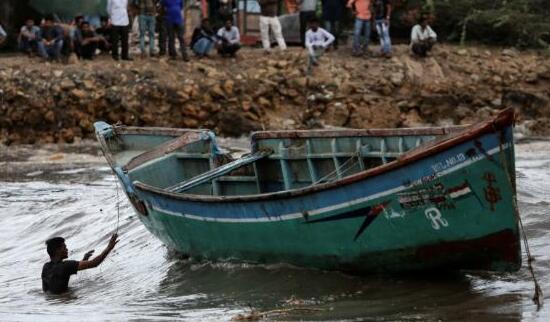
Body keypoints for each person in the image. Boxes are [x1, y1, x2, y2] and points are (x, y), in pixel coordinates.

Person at [41, 234, 119, 294]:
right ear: (57, 250)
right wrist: (109, 247)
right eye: (64, 247)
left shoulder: (46, 267)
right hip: (63, 301)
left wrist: (84, 259)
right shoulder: (65, 265)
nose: (67, 249)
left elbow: (46, 290)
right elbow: (94, 263)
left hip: (52, 302)